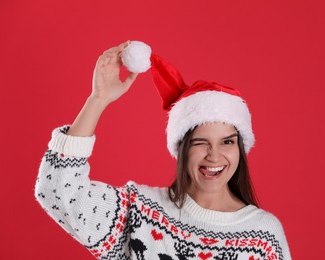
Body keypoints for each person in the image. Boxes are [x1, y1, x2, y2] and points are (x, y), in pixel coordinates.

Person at [35, 41, 291, 260]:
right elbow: (57, 191)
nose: (214, 156)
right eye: (200, 142)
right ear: (180, 148)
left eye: (227, 142)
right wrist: (98, 99)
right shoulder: (141, 213)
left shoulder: (262, 237)